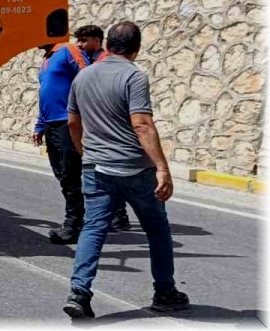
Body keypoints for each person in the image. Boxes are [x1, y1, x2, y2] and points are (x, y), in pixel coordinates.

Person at [63, 21, 189, 319]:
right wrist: (162, 168)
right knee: (157, 229)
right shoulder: (134, 76)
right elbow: (142, 124)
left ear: (107, 44)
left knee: (93, 228)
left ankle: (79, 293)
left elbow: (72, 122)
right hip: (135, 169)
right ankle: (165, 292)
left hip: (96, 167)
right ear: (137, 48)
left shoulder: (83, 76)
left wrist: (84, 151)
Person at [35, 26, 131, 245]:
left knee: (71, 175)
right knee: (63, 174)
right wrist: (39, 125)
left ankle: (74, 224)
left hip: (67, 122)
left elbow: (88, 77)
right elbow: (45, 94)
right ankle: (95, 216)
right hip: (51, 124)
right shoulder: (47, 58)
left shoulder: (67, 50)